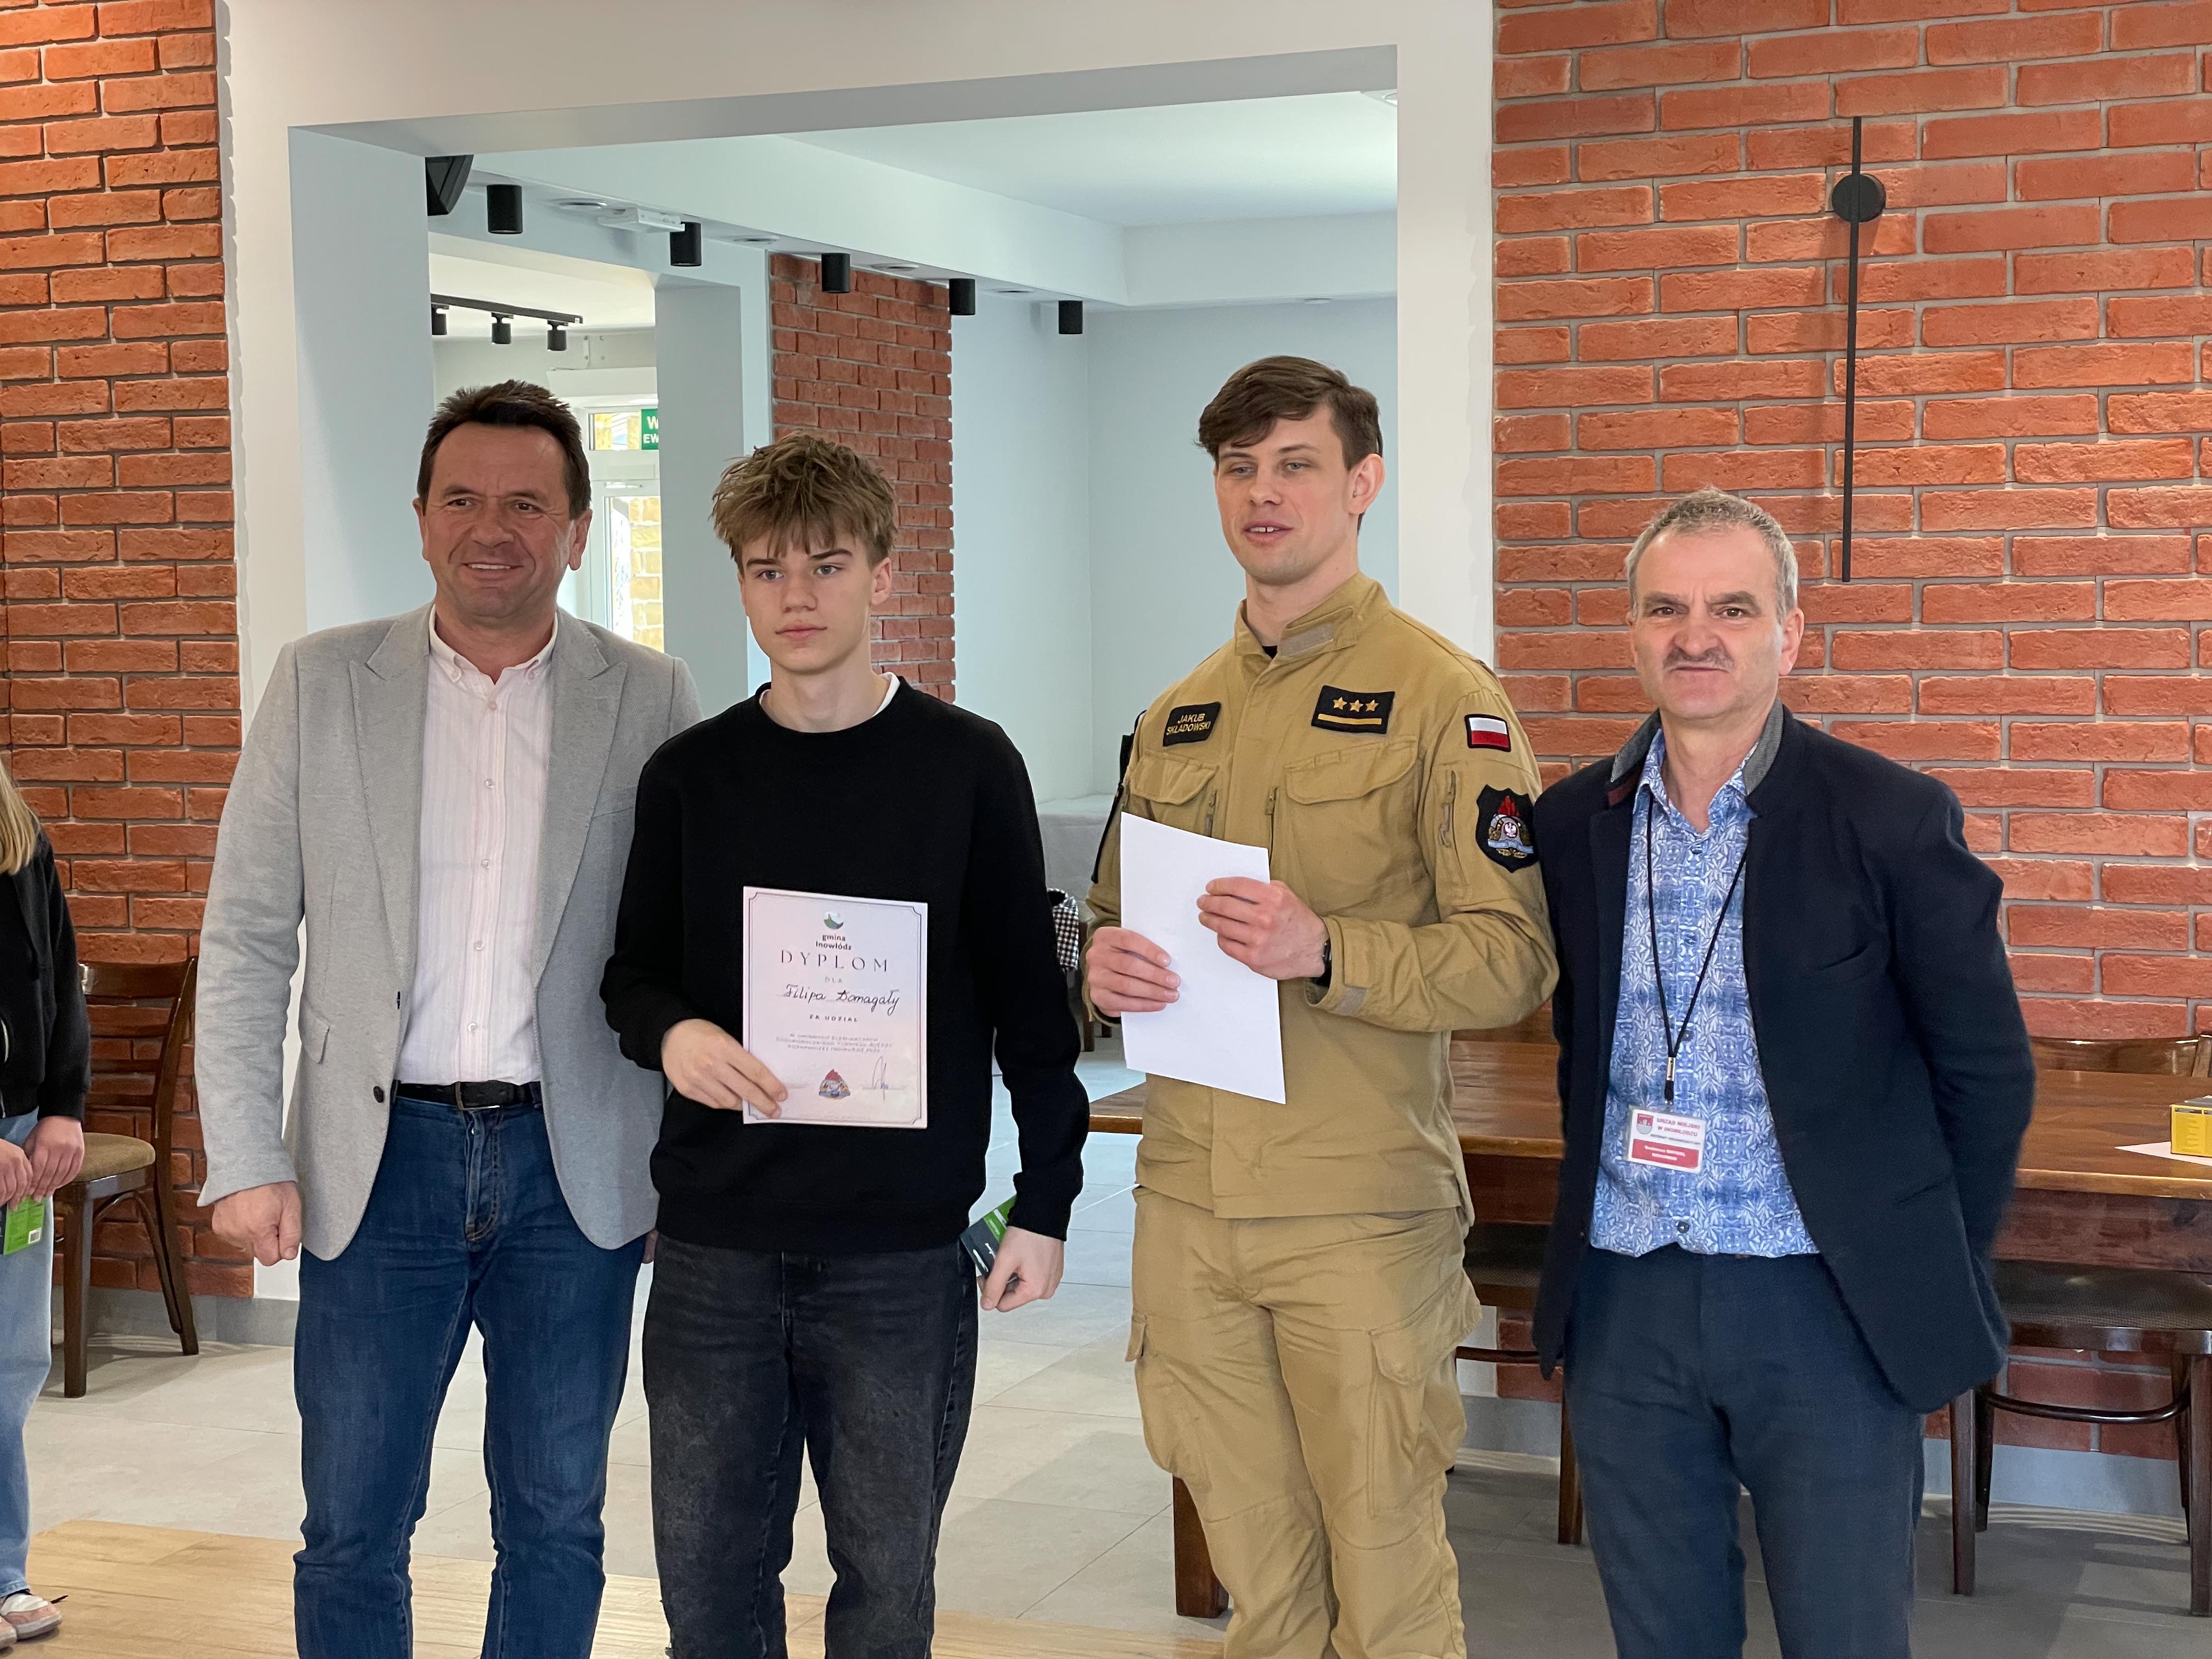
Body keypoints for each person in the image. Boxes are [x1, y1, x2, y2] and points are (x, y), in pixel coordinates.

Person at [196, 381, 702, 1659]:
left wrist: (687, 1162)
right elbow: (246, 935)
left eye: (528, 504)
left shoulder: (650, 696)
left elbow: (688, 946)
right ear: (421, 518)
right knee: (353, 1524)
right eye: (464, 499)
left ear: (577, 532)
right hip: (378, 1168)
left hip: (573, 1170)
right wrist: (245, 1155)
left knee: (558, 1521)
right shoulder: (320, 684)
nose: (493, 529)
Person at [1086, 356, 1556, 1659]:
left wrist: (1329, 949)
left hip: (1355, 1212)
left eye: (1296, 464)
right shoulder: (1175, 714)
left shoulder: (1446, 699)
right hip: (1189, 1206)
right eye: (1238, 468)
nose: (1263, 493)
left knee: (1388, 1597)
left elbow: (1515, 960)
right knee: (1265, 1595)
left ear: (1362, 483)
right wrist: (1103, 968)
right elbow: (1113, 917)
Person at [601, 432, 1087, 1659]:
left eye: (825, 566)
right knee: (709, 1588)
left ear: (881, 573)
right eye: (767, 570)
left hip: (899, 1257)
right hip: (715, 1247)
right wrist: (675, 1032)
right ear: (740, 583)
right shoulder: (691, 776)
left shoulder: (968, 767)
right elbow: (631, 976)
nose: (797, 596)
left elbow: (1031, 1007)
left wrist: (1047, 1202)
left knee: (886, 1587)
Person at [1530, 487, 2035, 1659]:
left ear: (1790, 634)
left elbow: (1987, 1073)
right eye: (1665, 608)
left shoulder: (1892, 818)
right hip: (1627, 1295)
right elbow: (1577, 1042)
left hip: (1824, 1299)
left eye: (1733, 608)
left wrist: (1917, 1254)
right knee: (1661, 1635)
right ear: (1632, 632)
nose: (1695, 636)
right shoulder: (1572, 822)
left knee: (1844, 1634)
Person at [0, 762, 87, 1648]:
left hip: (22, 1139)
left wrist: (64, 1106)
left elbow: (60, 974)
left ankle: (3, 1571)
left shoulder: (20, 836)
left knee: (11, 1362)